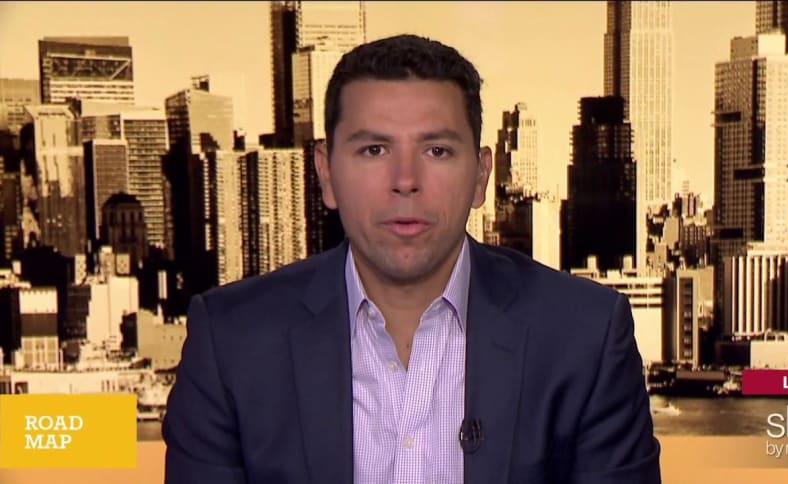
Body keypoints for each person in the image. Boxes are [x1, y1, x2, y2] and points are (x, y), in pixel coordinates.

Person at [163, 34, 661, 484]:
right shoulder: (231, 342)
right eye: (374, 150)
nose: (405, 180)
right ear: (327, 174)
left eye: (437, 151)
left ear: (481, 175)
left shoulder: (585, 336)